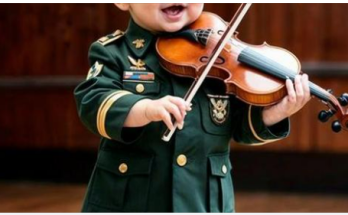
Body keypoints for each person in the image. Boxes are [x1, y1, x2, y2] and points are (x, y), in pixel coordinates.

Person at [74, 3, 311, 212]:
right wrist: (145, 108)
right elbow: (93, 102)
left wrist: (276, 112)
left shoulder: (218, 53)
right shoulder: (113, 52)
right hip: (131, 201)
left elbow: (241, 127)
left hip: (203, 203)